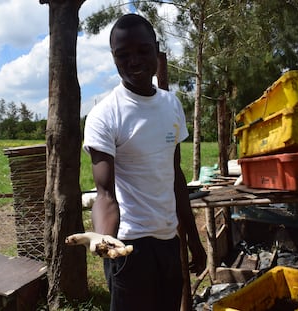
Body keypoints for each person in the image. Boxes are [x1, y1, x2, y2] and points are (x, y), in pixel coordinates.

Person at [83, 13, 207, 311]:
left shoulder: (171, 105)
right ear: (114, 58)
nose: (134, 61)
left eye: (142, 51)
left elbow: (175, 176)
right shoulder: (105, 115)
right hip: (128, 246)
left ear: (157, 50)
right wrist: (104, 238)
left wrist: (192, 238)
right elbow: (105, 194)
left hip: (168, 241)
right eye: (123, 55)